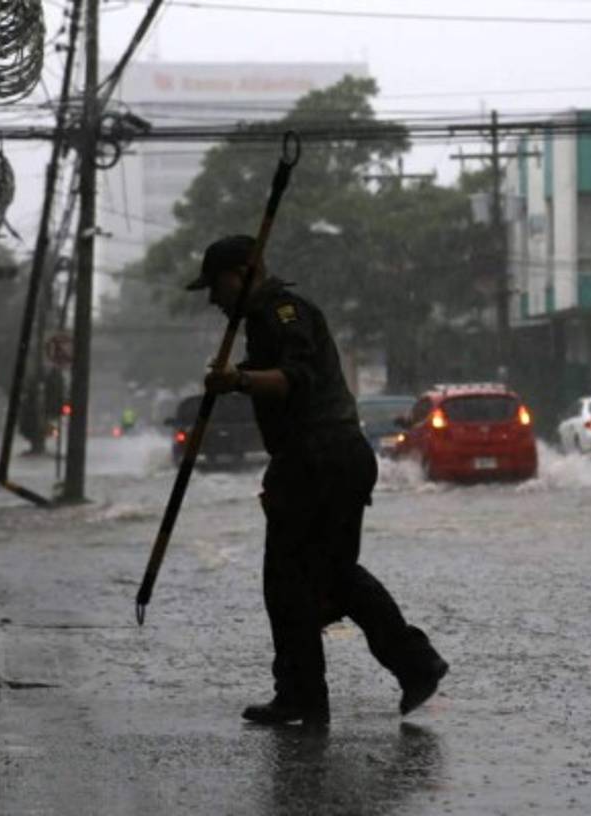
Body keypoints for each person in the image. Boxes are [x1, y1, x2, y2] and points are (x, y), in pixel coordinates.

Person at [187, 234, 449, 727]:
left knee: (299, 580)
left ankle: (330, 686)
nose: (214, 299)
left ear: (244, 272)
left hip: (323, 457)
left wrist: (238, 381)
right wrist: (235, 376)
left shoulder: (285, 313)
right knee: (320, 577)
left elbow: (294, 379)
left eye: (217, 285)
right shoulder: (260, 322)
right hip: (311, 460)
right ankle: (333, 685)